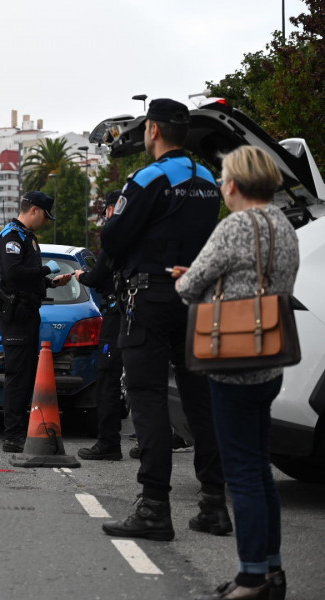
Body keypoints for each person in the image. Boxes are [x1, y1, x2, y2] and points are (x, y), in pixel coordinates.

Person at [99, 98, 232, 542]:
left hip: (150, 296)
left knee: (147, 396)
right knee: (200, 398)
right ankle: (214, 504)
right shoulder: (209, 181)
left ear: (153, 130)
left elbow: (114, 237)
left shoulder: (148, 178)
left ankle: (154, 506)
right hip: (194, 296)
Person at [175, 146, 298, 600]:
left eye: (224, 178)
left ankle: (250, 580)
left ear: (234, 184)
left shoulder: (234, 226)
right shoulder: (283, 225)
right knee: (260, 470)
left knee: (242, 472)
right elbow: (259, 282)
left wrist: (187, 278)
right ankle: (271, 571)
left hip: (233, 362)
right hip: (270, 358)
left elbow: (189, 288)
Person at [0, 191, 72, 453]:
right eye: (46, 216)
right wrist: (47, 269)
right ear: (35, 210)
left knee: (26, 375)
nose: (46, 222)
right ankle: (12, 436)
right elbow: (14, 274)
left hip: (28, 312)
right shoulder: (12, 237)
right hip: (16, 314)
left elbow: (28, 278)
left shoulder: (28, 237)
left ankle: (20, 431)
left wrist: (49, 283)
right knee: (17, 376)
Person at [75, 191, 125, 460]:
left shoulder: (117, 237)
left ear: (109, 210)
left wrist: (81, 275)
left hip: (117, 317)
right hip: (142, 315)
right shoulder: (145, 234)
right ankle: (151, 443)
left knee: (107, 378)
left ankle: (109, 443)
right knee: (144, 381)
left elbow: (98, 276)